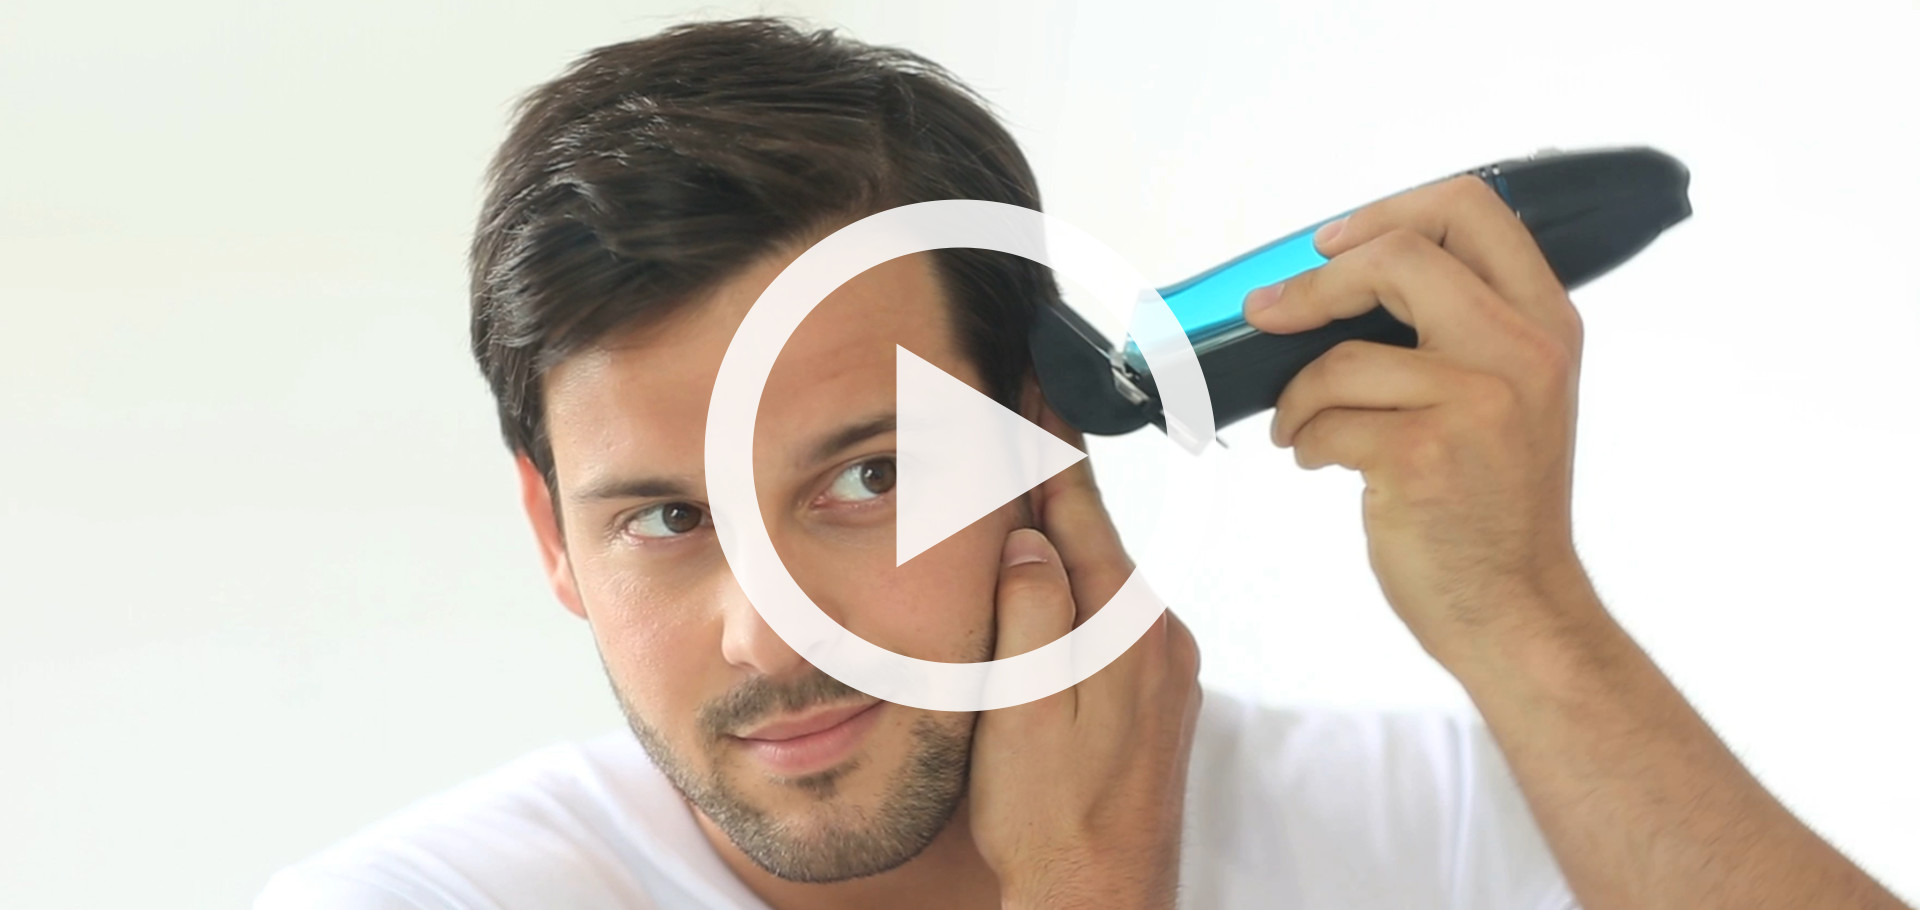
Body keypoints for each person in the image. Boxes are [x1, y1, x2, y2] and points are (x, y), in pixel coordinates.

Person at [254, 17, 1909, 910]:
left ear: (1042, 427)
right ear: (551, 535)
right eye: (667, 518)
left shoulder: (1443, 826)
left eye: (867, 478)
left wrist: (1525, 614)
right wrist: (1083, 884)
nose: (766, 631)